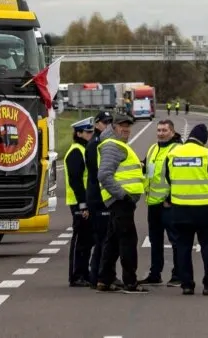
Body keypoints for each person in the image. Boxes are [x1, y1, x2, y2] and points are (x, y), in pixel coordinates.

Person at [150, 122, 208, 295]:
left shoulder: (173, 153)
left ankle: (186, 284)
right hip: (205, 209)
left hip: (180, 209)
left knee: (184, 247)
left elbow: (169, 178)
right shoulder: (207, 154)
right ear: (203, 140)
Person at [96, 114, 147, 293]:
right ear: (113, 127)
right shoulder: (112, 145)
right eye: (122, 126)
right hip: (120, 202)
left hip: (121, 202)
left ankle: (104, 279)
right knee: (128, 241)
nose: (126, 129)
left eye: (128, 126)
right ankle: (130, 282)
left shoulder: (116, 144)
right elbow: (103, 174)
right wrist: (122, 195)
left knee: (113, 240)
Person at [142, 118, 184, 285]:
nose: (160, 133)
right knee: (155, 240)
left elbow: (179, 177)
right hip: (152, 202)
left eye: (164, 130)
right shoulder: (153, 148)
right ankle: (155, 273)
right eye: (158, 130)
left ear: (172, 132)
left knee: (175, 240)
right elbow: (147, 170)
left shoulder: (178, 149)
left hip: (169, 204)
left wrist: (170, 198)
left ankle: (178, 274)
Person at [64, 118, 97, 287]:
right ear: (79, 133)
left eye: (92, 132)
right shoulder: (76, 151)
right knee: (80, 240)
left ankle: (84, 273)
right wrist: (83, 204)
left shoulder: (84, 150)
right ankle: (77, 275)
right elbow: (75, 180)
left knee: (87, 239)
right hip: (79, 203)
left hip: (85, 201)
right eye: (88, 132)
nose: (91, 134)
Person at [84, 110, 114, 286]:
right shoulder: (96, 144)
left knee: (106, 239)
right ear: (96, 124)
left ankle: (103, 274)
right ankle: (98, 276)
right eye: (104, 122)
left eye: (110, 122)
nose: (107, 125)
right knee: (102, 240)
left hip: (101, 196)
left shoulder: (102, 142)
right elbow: (100, 171)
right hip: (98, 197)